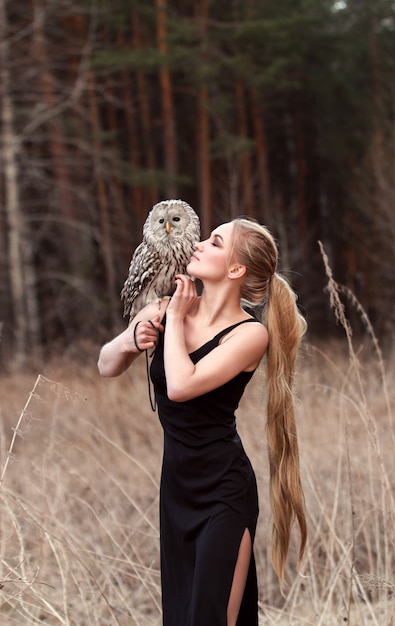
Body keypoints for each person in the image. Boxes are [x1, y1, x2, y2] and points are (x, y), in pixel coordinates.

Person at [97, 217, 307, 626]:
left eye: (214, 242)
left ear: (235, 270)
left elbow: (180, 386)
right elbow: (106, 365)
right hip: (176, 490)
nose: (198, 244)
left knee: (208, 619)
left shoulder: (248, 335)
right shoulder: (162, 307)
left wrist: (174, 319)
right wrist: (129, 339)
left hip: (223, 494)